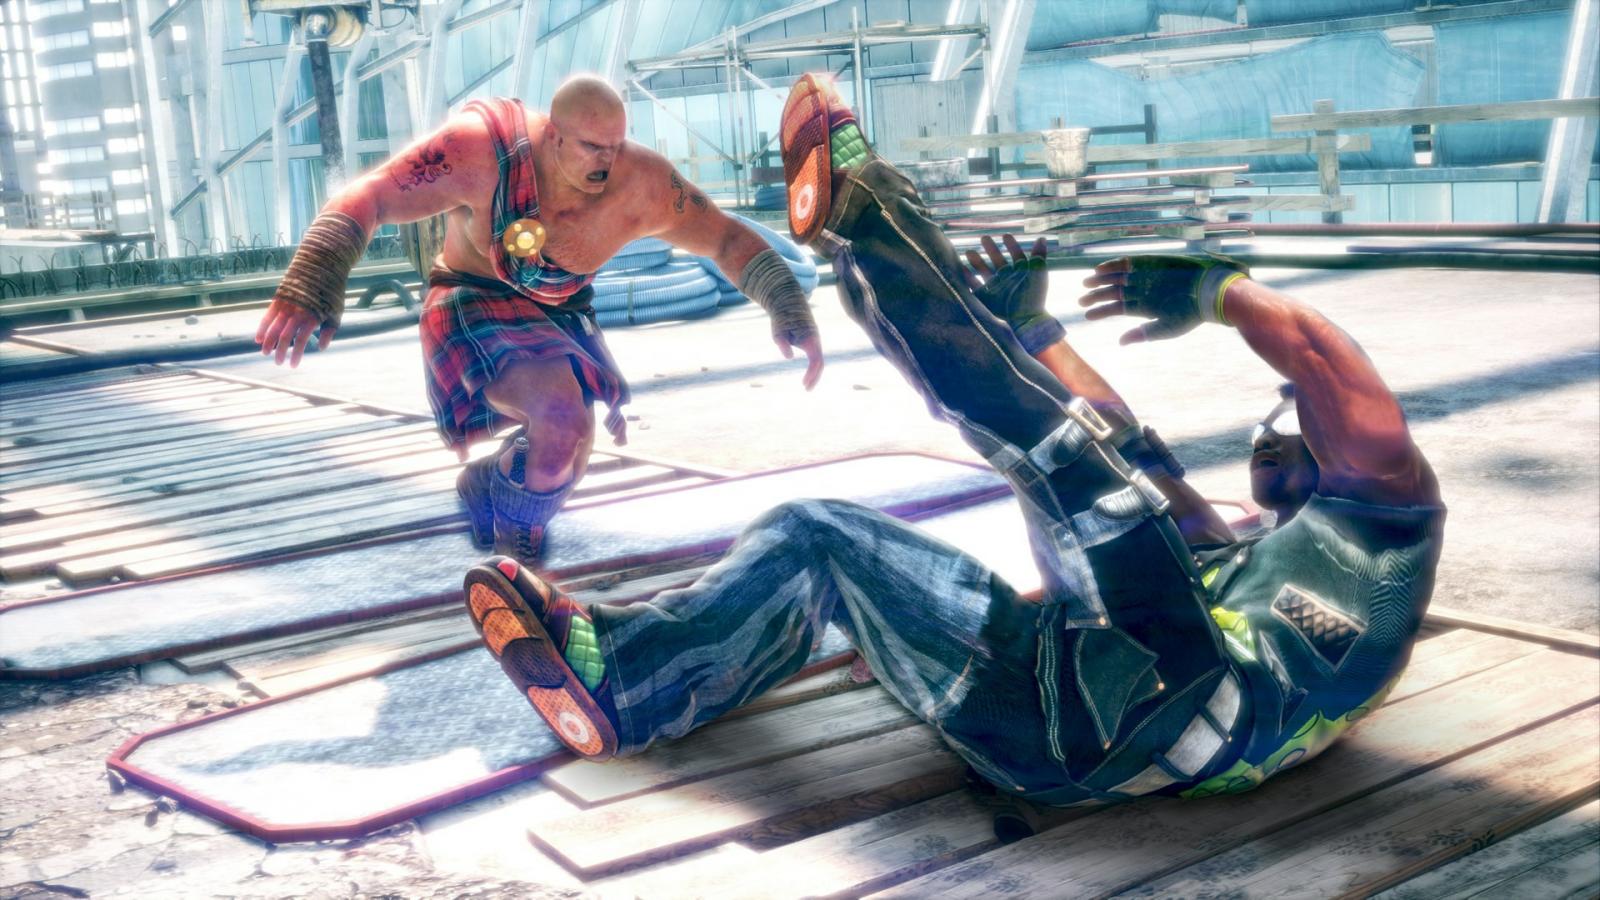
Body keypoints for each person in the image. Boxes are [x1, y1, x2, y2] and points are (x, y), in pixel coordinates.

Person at [459, 74, 1445, 808]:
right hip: (1045, 734)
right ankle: (626, 682)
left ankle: (865, 213)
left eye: (1287, 426)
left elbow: (1323, 360)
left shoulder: (1386, 520)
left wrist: (1215, 289)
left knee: (1066, 460)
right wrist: (1033, 331)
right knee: (817, 538)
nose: (1269, 435)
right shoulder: (1240, 561)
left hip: (1179, 705)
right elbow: (1126, 455)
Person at [254, 75, 824, 564]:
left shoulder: (644, 185)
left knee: (567, 454)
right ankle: (516, 561)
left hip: (564, 311)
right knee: (559, 420)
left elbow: (724, 237)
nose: (605, 162)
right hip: (473, 296)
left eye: (614, 146)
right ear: (553, 136)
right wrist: (315, 274)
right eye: (590, 146)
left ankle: (489, 483)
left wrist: (787, 304)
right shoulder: (482, 151)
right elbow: (373, 194)